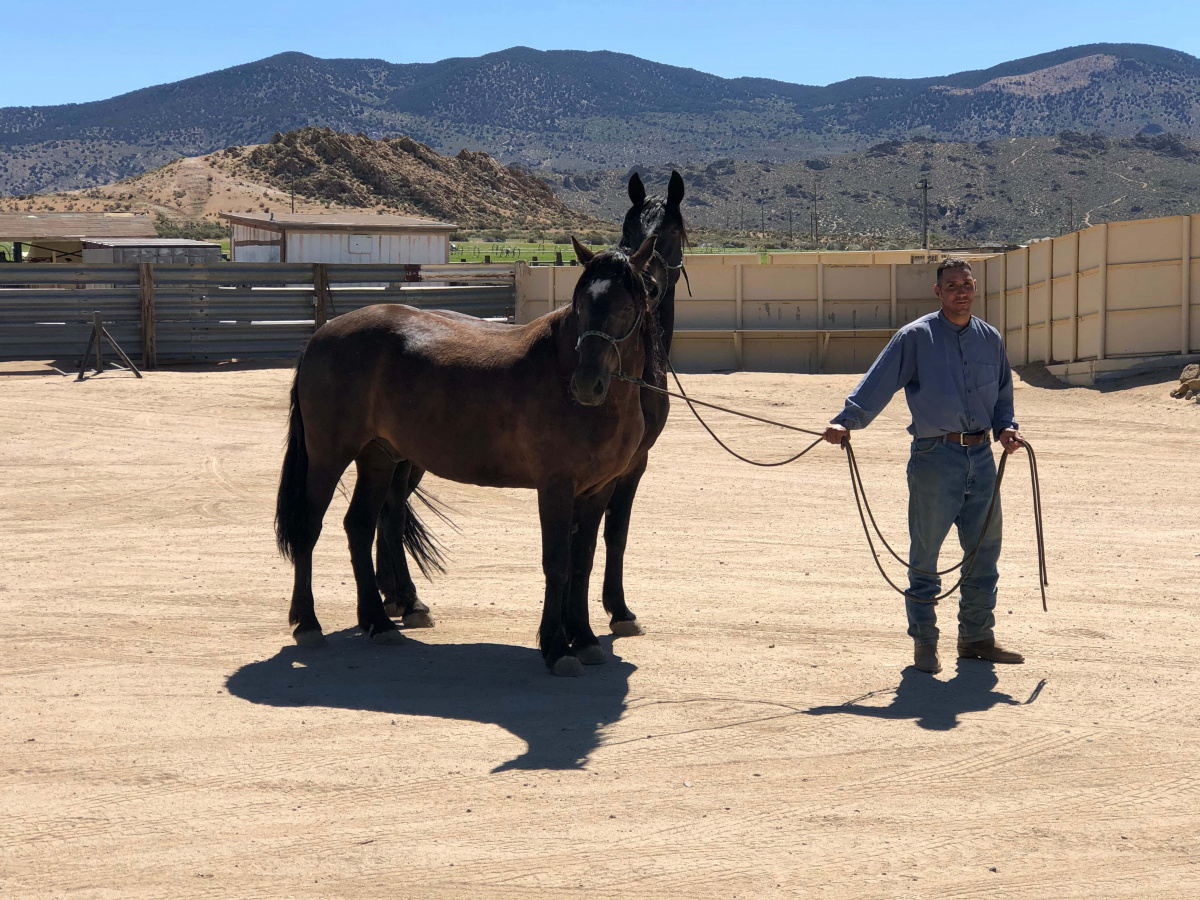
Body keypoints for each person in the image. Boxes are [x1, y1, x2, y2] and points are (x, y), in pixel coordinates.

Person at [823, 258, 1026, 674]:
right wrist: (845, 422)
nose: (961, 291)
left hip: (983, 459)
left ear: (975, 287)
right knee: (925, 558)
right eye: (951, 285)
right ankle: (925, 644)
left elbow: (1003, 398)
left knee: (984, 553)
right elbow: (876, 384)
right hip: (936, 458)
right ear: (938, 292)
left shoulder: (991, 339)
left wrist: (1006, 428)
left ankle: (976, 639)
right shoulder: (915, 337)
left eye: (967, 283)